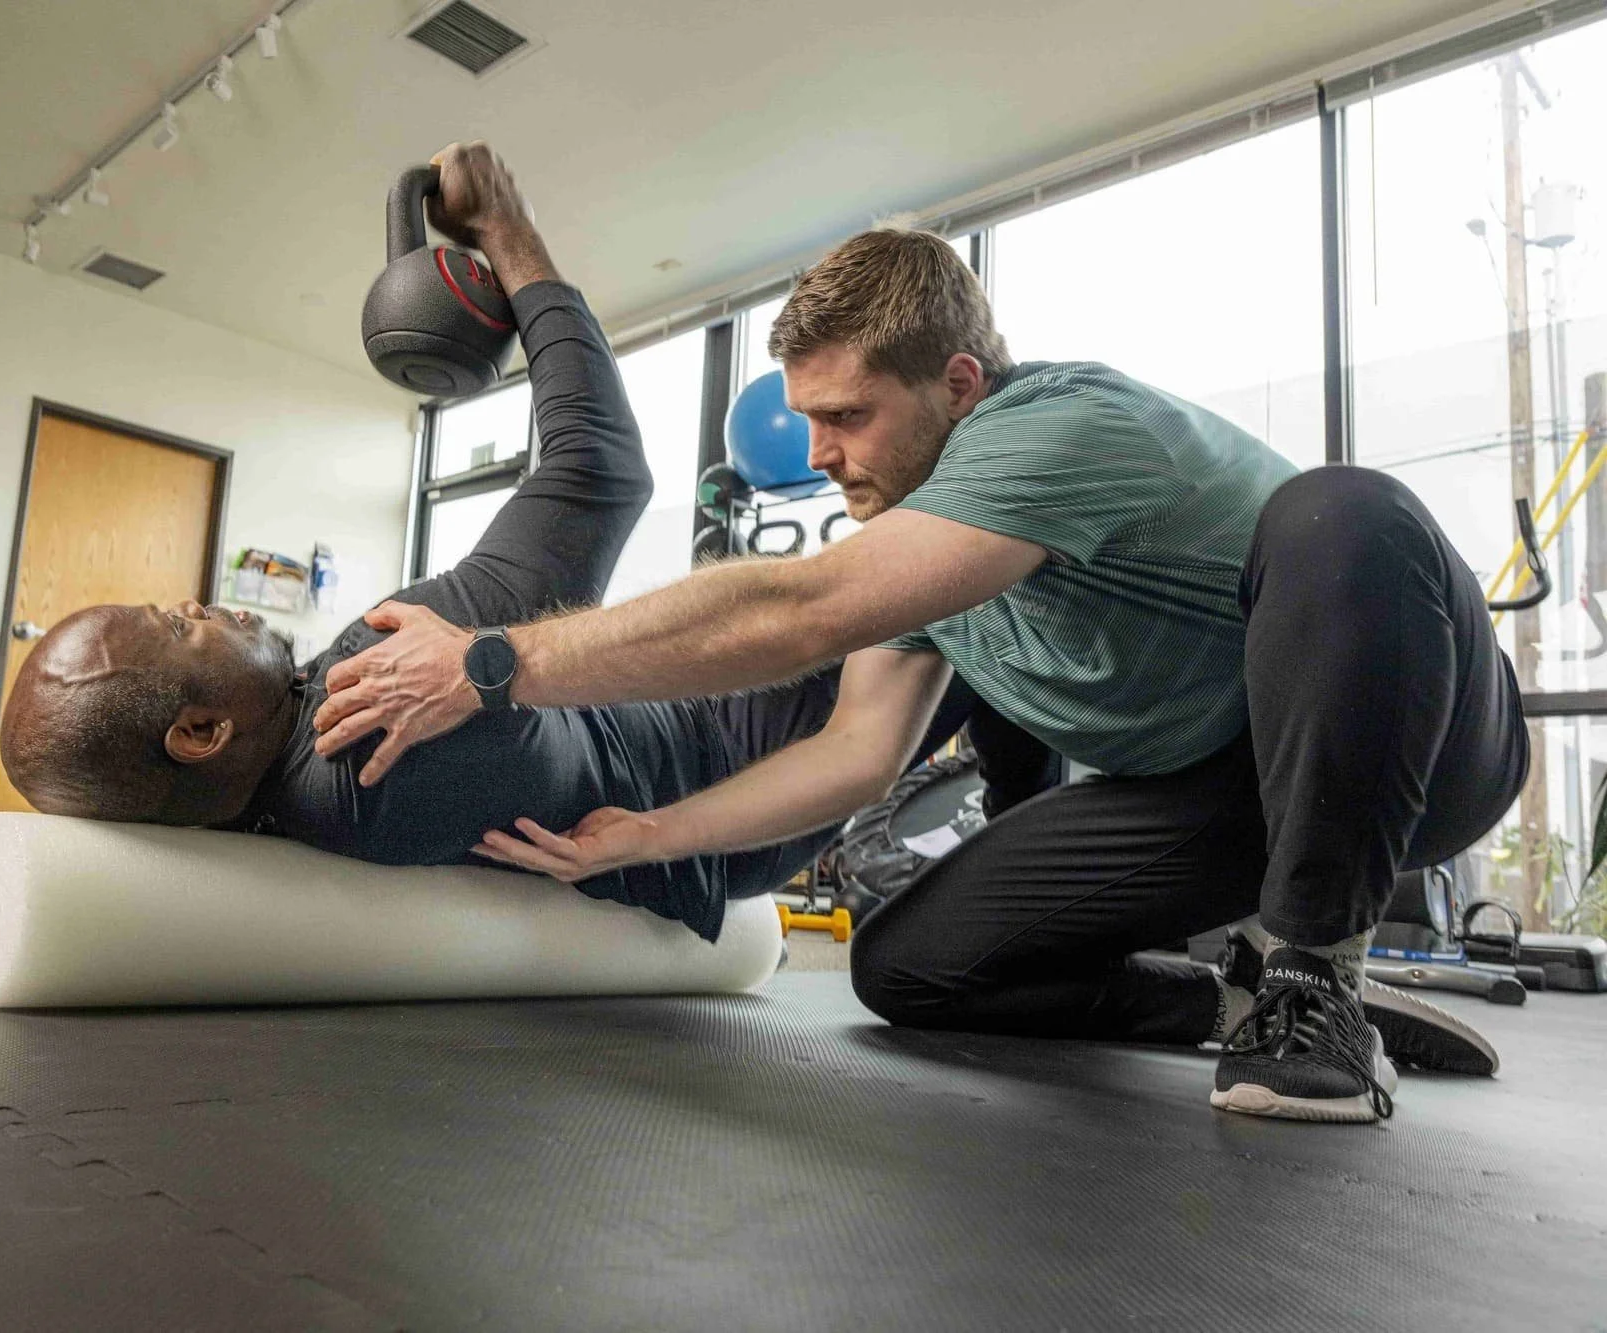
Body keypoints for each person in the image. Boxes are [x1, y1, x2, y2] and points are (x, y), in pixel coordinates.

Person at [314, 149, 1526, 1124]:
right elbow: (854, 753)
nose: (822, 452)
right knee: (908, 967)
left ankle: (1317, 976)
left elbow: (801, 609)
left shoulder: (1057, 424)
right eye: (806, 418)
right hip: (1216, 795)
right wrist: (646, 836)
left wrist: (492, 662)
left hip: (1414, 746)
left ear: (956, 382)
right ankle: (1238, 1003)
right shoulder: (921, 527)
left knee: (1340, 509)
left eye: (846, 415)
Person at [0, 142, 967, 943]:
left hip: (706, 752)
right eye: (177, 624)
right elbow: (596, 470)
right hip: (745, 751)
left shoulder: (302, 776)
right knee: (978, 556)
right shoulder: (368, 708)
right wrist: (509, 233)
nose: (201, 602)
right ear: (199, 733)